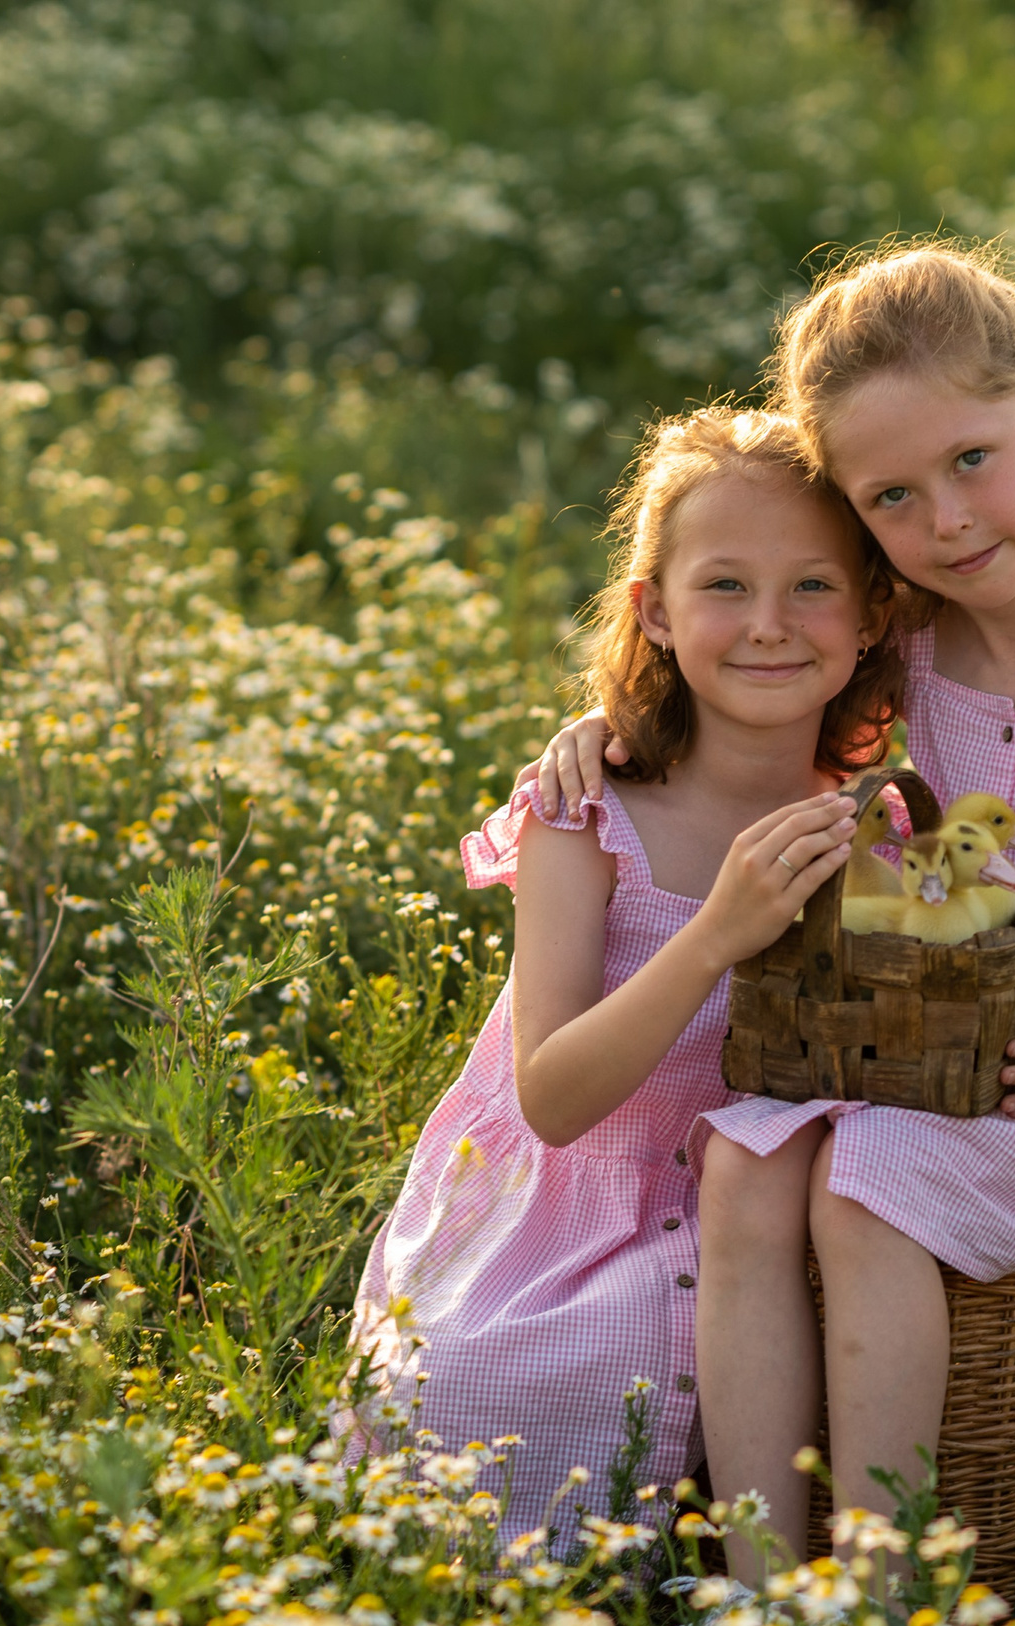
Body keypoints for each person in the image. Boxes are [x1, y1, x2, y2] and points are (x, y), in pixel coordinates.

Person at [530, 242, 1015, 1580]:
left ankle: (880, 1606)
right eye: (891, 495)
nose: (945, 520)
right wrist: (612, 725)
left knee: (872, 1184)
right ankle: (758, 1590)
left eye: (969, 461)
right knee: (745, 1155)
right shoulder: (915, 647)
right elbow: (758, 667)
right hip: (935, 1044)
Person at [338, 408, 905, 1544]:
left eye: (812, 588)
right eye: (724, 587)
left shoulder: (871, 820)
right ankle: (621, 1605)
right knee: (490, 1382)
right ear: (653, 606)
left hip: (760, 1203)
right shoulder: (585, 811)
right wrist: (717, 933)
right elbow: (550, 1098)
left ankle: (732, 1599)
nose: (769, 626)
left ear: (871, 613)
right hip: (569, 1206)